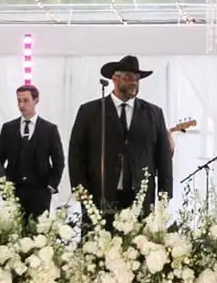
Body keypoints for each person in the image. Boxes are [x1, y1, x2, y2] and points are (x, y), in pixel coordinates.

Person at [68, 55, 173, 220]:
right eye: (128, 77)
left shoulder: (153, 113)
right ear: (114, 79)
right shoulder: (90, 112)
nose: (134, 83)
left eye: (137, 79)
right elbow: (76, 154)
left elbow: (163, 156)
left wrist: (165, 194)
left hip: (140, 196)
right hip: (100, 194)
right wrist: (80, 190)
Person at [0, 83, 65, 224]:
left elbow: (59, 161)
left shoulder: (49, 129)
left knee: (38, 230)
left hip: (40, 190)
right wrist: (3, 186)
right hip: (14, 190)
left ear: (36, 101)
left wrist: (51, 186)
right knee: (13, 229)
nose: (22, 105)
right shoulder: (8, 128)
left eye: (26, 100)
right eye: (19, 101)